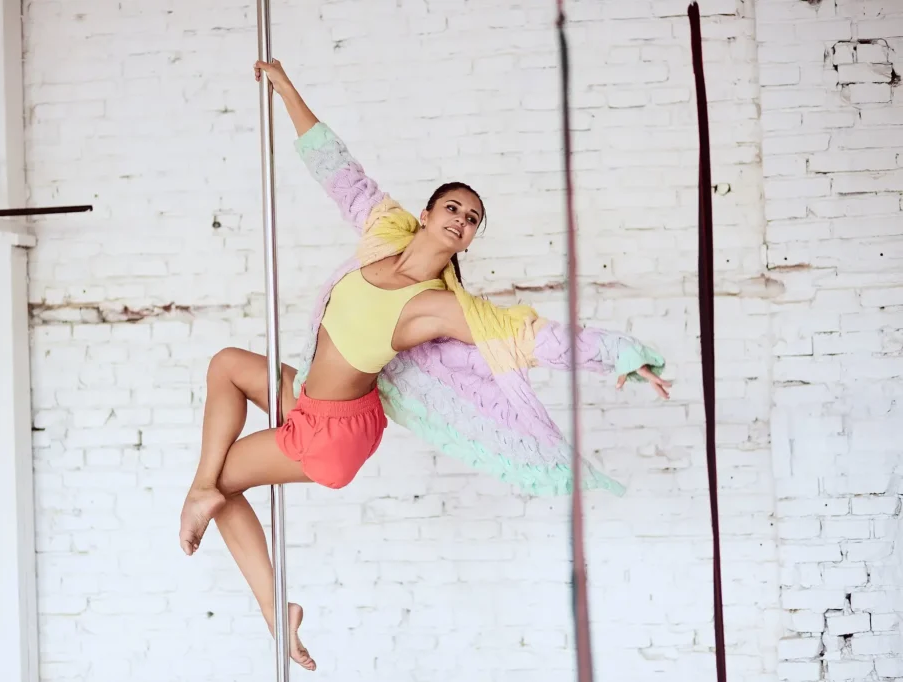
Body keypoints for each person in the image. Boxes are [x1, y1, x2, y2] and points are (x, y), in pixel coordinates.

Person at [178, 59, 671, 671]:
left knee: (222, 482)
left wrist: (623, 356)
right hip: (312, 398)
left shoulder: (436, 307)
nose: (462, 221)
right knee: (225, 364)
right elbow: (341, 172)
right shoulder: (385, 229)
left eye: (472, 221)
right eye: (455, 208)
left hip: (332, 435)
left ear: (467, 240)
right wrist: (287, 91)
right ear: (431, 210)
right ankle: (204, 496)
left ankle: (274, 610)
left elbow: (535, 337)